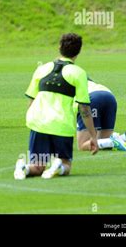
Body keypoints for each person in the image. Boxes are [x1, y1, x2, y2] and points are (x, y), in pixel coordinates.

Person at [14, 33, 98, 180]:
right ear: (78, 52)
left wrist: (31, 121)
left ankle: (24, 168)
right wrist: (93, 136)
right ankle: (58, 166)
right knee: (67, 164)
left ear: (59, 47)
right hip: (61, 125)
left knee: (38, 166)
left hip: (38, 122)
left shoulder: (42, 68)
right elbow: (84, 109)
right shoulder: (79, 73)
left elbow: (31, 100)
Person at [77, 79, 126, 152]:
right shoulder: (77, 76)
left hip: (92, 98)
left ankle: (112, 141)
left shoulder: (64, 84)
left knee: (82, 145)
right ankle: (125, 137)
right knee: (102, 140)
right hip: (109, 96)